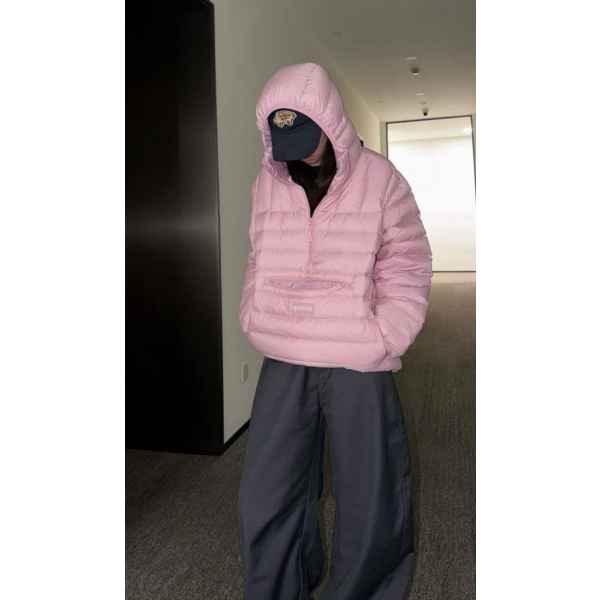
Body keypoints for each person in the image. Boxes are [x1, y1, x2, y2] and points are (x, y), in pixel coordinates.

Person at [238, 62, 432, 600]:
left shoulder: (381, 179)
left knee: (370, 495)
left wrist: (386, 334)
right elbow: (259, 255)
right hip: (284, 351)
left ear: (333, 122)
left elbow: (407, 262)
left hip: (357, 354)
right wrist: (254, 310)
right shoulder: (268, 181)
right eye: (285, 140)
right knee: (268, 492)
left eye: (307, 137)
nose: (298, 153)